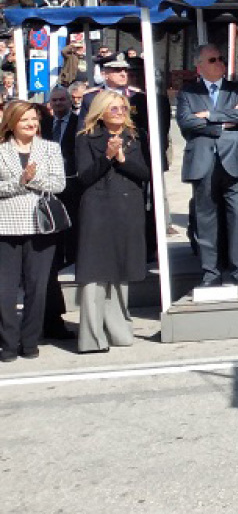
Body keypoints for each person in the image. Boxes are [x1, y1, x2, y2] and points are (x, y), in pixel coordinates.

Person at [73, 90, 149, 353]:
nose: (120, 113)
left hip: (127, 207)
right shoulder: (85, 137)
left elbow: (144, 173)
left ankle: (118, 331)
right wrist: (106, 157)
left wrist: (122, 159)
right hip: (98, 207)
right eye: (114, 109)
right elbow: (84, 176)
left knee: (120, 268)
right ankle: (91, 338)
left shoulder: (133, 136)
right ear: (101, 112)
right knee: (95, 272)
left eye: (123, 108)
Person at [176, 45, 238, 292]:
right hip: (203, 160)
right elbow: (186, 121)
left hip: (235, 159)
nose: (220, 62)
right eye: (213, 59)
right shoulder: (188, 92)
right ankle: (210, 273)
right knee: (206, 218)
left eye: (221, 58)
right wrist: (222, 124)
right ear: (199, 66)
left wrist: (209, 115)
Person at [0, 101, 66, 361]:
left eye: (34, 119)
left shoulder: (50, 148)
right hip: (6, 225)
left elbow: (58, 183)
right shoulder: (2, 150)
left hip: (41, 225)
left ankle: (29, 341)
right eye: (24, 119)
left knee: (38, 287)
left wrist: (33, 179)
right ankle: (7, 343)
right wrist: (20, 182)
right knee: (5, 289)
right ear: (11, 123)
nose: (30, 124)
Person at [41, 86, 80, 341]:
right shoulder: (43, 125)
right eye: (53, 100)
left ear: (69, 101)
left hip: (73, 187)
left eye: (61, 99)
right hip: (47, 192)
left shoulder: (79, 123)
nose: (57, 103)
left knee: (71, 237)